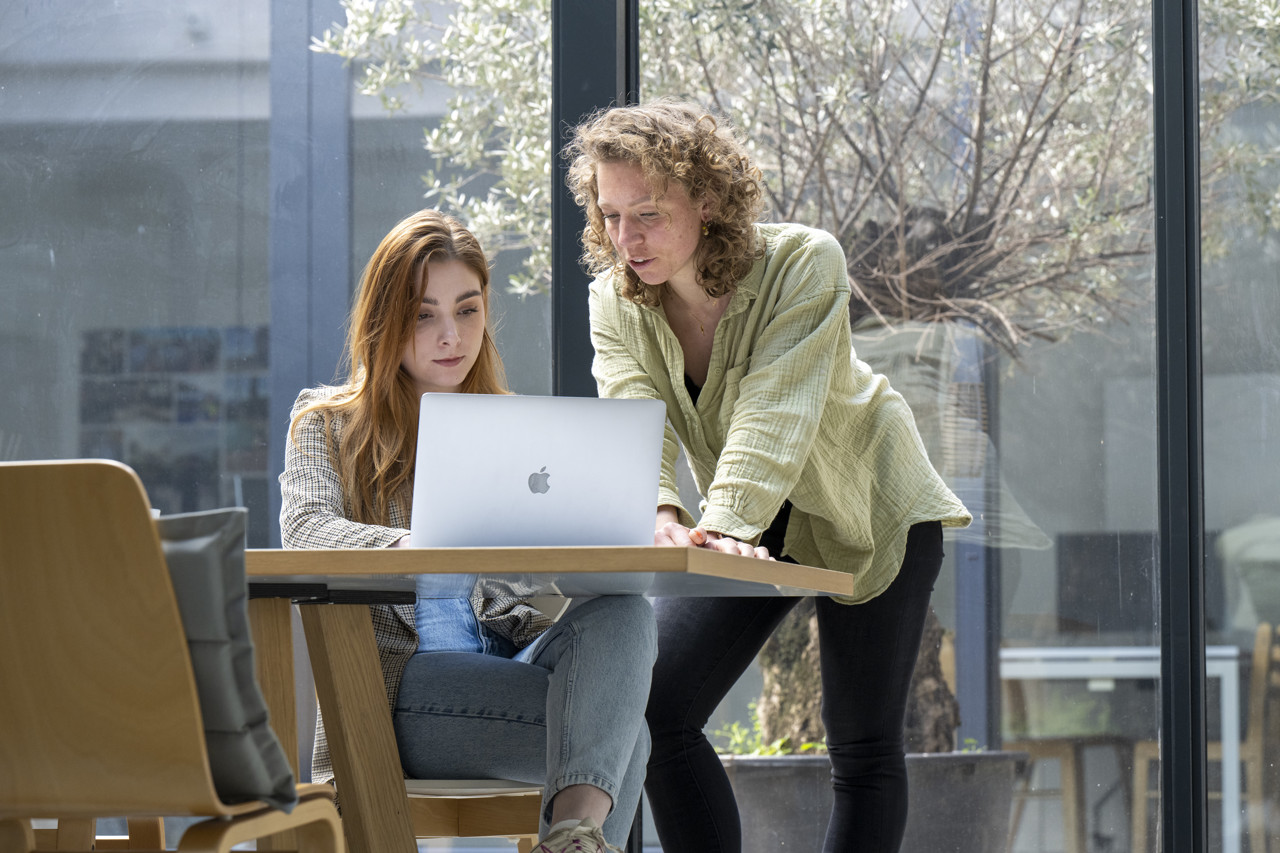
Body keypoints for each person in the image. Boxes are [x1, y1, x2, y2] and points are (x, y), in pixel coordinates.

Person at [565, 101, 973, 853]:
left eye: (648, 213)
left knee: (861, 744)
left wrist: (719, 528)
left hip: (870, 497)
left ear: (708, 198)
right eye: (612, 215)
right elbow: (632, 413)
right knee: (656, 707)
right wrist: (659, 514)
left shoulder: (804, 261)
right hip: (754, 513)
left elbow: (774, 411)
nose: (627, 238)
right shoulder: (613, 303)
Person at [278, 209, 655, 853]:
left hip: (506, 660)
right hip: (396, 689)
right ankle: (578, 838)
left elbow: (527, 602)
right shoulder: (328, 424)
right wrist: (416, 546)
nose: (450, 335)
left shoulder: (514, 429)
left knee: (626, 613)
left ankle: (572, 837)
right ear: (384, 320)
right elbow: (305, 530)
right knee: (629, 739)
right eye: (424, 314)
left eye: (468, 309)